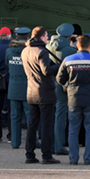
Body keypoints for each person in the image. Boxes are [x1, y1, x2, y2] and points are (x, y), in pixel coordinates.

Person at [57, 33, 90, 165]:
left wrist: (68, 85)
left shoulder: (68, 59)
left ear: (77, 45)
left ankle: (73, 159)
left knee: (73, 129)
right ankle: (88, 158)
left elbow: (59, 78)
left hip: (73, 98)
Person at [22, 26, 61, 164]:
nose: (48, 38)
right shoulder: (42, 51)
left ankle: (30, 154)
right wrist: (60, 66)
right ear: (41, 37)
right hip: (45, 92)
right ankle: (47, 155)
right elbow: (46, 70)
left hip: (31, 91)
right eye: (46, 36)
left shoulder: (25, 50)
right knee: (46, 125)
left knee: (32, 124)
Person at [49, 24, 77, 155]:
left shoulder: (48, 47)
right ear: (70, 37)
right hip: (64, 84)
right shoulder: (71, 51)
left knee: (51, 115)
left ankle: (51, 143)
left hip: (49, 83)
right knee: (62, 115)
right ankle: (59, 145)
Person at [5, 29, 29, 149]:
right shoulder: (28, 51)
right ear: (27, 37)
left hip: (13, 87)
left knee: (14, 116)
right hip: (27, 87)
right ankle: (32, 140)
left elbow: (7, 64)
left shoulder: (9, 51)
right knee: (30, 116)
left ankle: (15, 142)